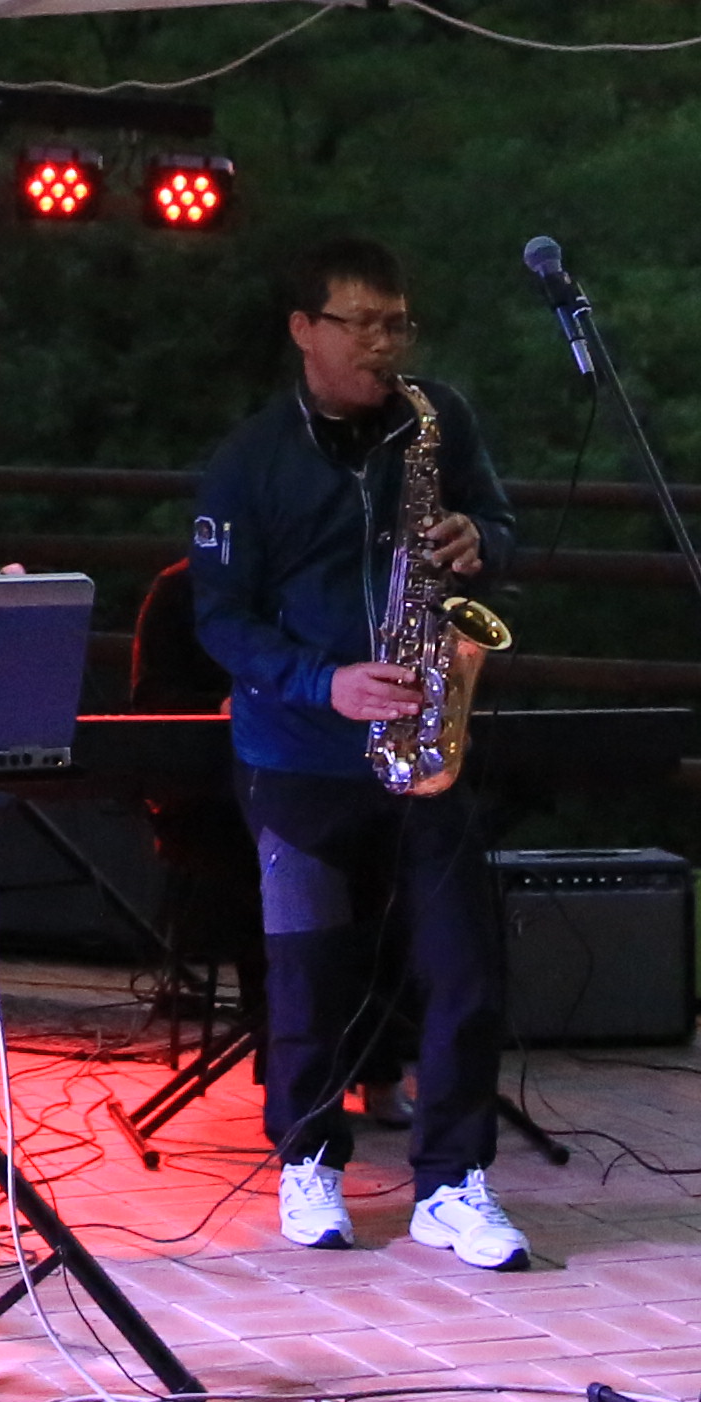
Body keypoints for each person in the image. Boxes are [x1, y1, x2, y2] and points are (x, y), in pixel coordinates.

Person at [182, 232, 533, 1270]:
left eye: (397, 324)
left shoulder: (438, 421)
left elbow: (502, 526)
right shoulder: (247, 465)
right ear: (304, 330)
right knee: (308, 968)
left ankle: (454, 1183)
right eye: (363, 324)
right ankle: (308, 1161)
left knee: (465, 964)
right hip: (297, 752)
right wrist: (320, 682)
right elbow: (219, 618)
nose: (386, 345)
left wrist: (482, 540)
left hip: (429, 735)